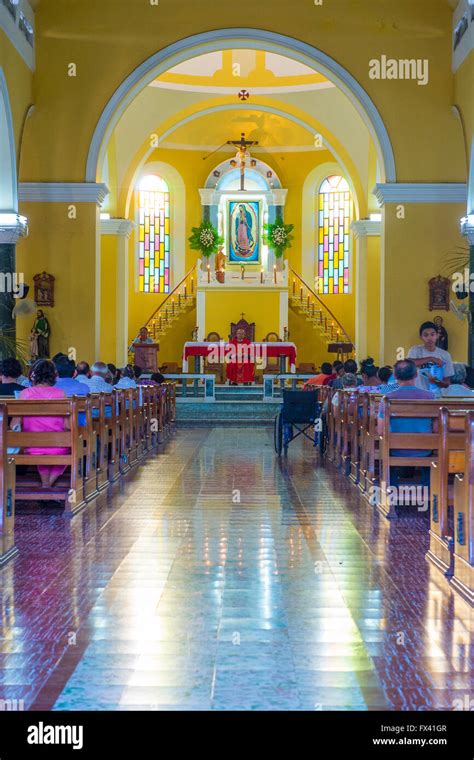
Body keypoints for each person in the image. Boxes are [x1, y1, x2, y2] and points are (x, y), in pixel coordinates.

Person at [11, 360, 70, 489]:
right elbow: (67, 425)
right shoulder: (61, 394)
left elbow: (14, 424)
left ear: (33, 375)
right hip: (58, 445)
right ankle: (47, 486)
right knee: (69, 448)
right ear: (54, 376)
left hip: (32, 446)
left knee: (40, 448)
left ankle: (45, 486)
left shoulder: (24, 394)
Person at [377, 359, 435, 487]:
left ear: (395, 376)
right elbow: (436, 428)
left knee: (386, 449)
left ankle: (391, 490)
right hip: (424, 449)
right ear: (416, 375)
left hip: (395, 449)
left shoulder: (387, 398)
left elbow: (380, 430)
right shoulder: (430, 397)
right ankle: (431, 493)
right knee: (433, 451)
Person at [407, 321, 454, 392]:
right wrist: (431, 358)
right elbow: (408, 364)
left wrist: (436, 381)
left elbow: (447, 384)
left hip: (437, 397)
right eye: (426, 335)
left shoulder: (445, 355)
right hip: (417, 395)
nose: (429, 338)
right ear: (421, 337)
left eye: (432, 334)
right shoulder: (415, 350)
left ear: (437, 335)